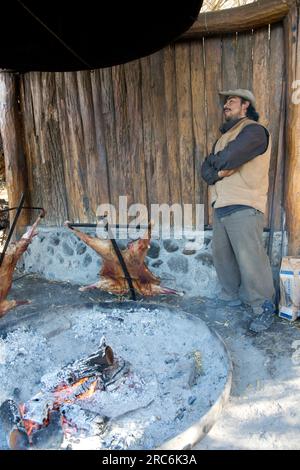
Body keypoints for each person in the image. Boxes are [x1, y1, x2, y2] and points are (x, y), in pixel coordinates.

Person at [201, 89, 275, 333]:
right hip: (221, 206)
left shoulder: (254, 131)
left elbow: (226, 159)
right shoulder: (224, 137)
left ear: (245, 105)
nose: (226, 105)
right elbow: (206, 171)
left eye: (231, 101)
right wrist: (219, 169)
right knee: (223, 258)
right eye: (225, 102)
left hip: (245, 204)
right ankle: (230, 298)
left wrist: (219, 166)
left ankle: (263, 308)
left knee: (251, 260)